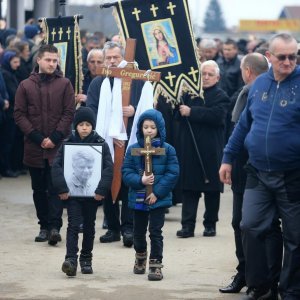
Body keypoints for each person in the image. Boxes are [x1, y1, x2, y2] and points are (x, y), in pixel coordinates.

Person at [219, 33, 300, 300]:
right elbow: (243, 125)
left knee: (295, 237)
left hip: (292, 174)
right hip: (258, 172)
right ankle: (262, 286)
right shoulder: (259, 85)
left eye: (293, 56)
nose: (288, 62)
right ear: (270, 57)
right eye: (282, 57)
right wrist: (228, 157)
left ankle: (289, 290)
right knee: (250, 226)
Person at [14, 44, 75, 245]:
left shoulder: (65, 84)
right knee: (39, 189)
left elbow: (68, 113)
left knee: (56, 187)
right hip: (34, 146)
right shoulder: (25, 85)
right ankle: (43, 226)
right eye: (48, 60)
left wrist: (55, 137)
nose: (51, 63)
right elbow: (19, 114)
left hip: (57, 146)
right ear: (38, 60)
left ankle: (55, 227)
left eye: (54, 60)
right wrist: (38, 138)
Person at [86, 41, 145, 247]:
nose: (112, 61)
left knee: (128, 183)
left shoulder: (136, 79)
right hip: (107, 141)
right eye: (108, 58)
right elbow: (91, 111)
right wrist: (111, 121)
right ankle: (112, 227)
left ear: (124, 59)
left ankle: (128, 227)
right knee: (108, 182)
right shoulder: (98, 82)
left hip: (130, 140)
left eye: (115, 58)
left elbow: (148, 107)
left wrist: (134, 109)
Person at [51, 107, 113, 276]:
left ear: (92, 126)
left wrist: (101, 190)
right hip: (73, 195)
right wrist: (62, 188)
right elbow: (56, 166)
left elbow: (108, 169)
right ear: (76, 126)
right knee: (73, 225)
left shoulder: (101, 144)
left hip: (93, 195)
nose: (84, 127)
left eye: (88, 124)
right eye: (81, 124)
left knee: (89, 226)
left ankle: (86, 258)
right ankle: (70, 259)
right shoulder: (67, 143)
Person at [122, 109, 179, 281]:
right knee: (138, 232)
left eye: (152, 127)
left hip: (158, 199)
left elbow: (172, 173)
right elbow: (126, 171)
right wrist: (141, 180)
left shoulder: (167, 150)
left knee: (155, 231)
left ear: (159, 129)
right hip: (139, 197)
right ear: (140, 128)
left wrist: (157, 192)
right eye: (145, 127)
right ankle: (140, 255)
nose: (148, 130)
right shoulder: (133, 149)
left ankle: (155, 265)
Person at [175, 60, 230, 238]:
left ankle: (210, 224)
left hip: (211, 149)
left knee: (212, 189)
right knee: (189, 189)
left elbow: (218, 116)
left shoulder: (221, 95)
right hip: (190, 148)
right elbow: (177, 115)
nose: (205, 78)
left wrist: (192, 112)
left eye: (209, 75)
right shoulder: (188, 93)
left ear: (217, 77)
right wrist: (179, 107)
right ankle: (187, 225)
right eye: (202, 74)